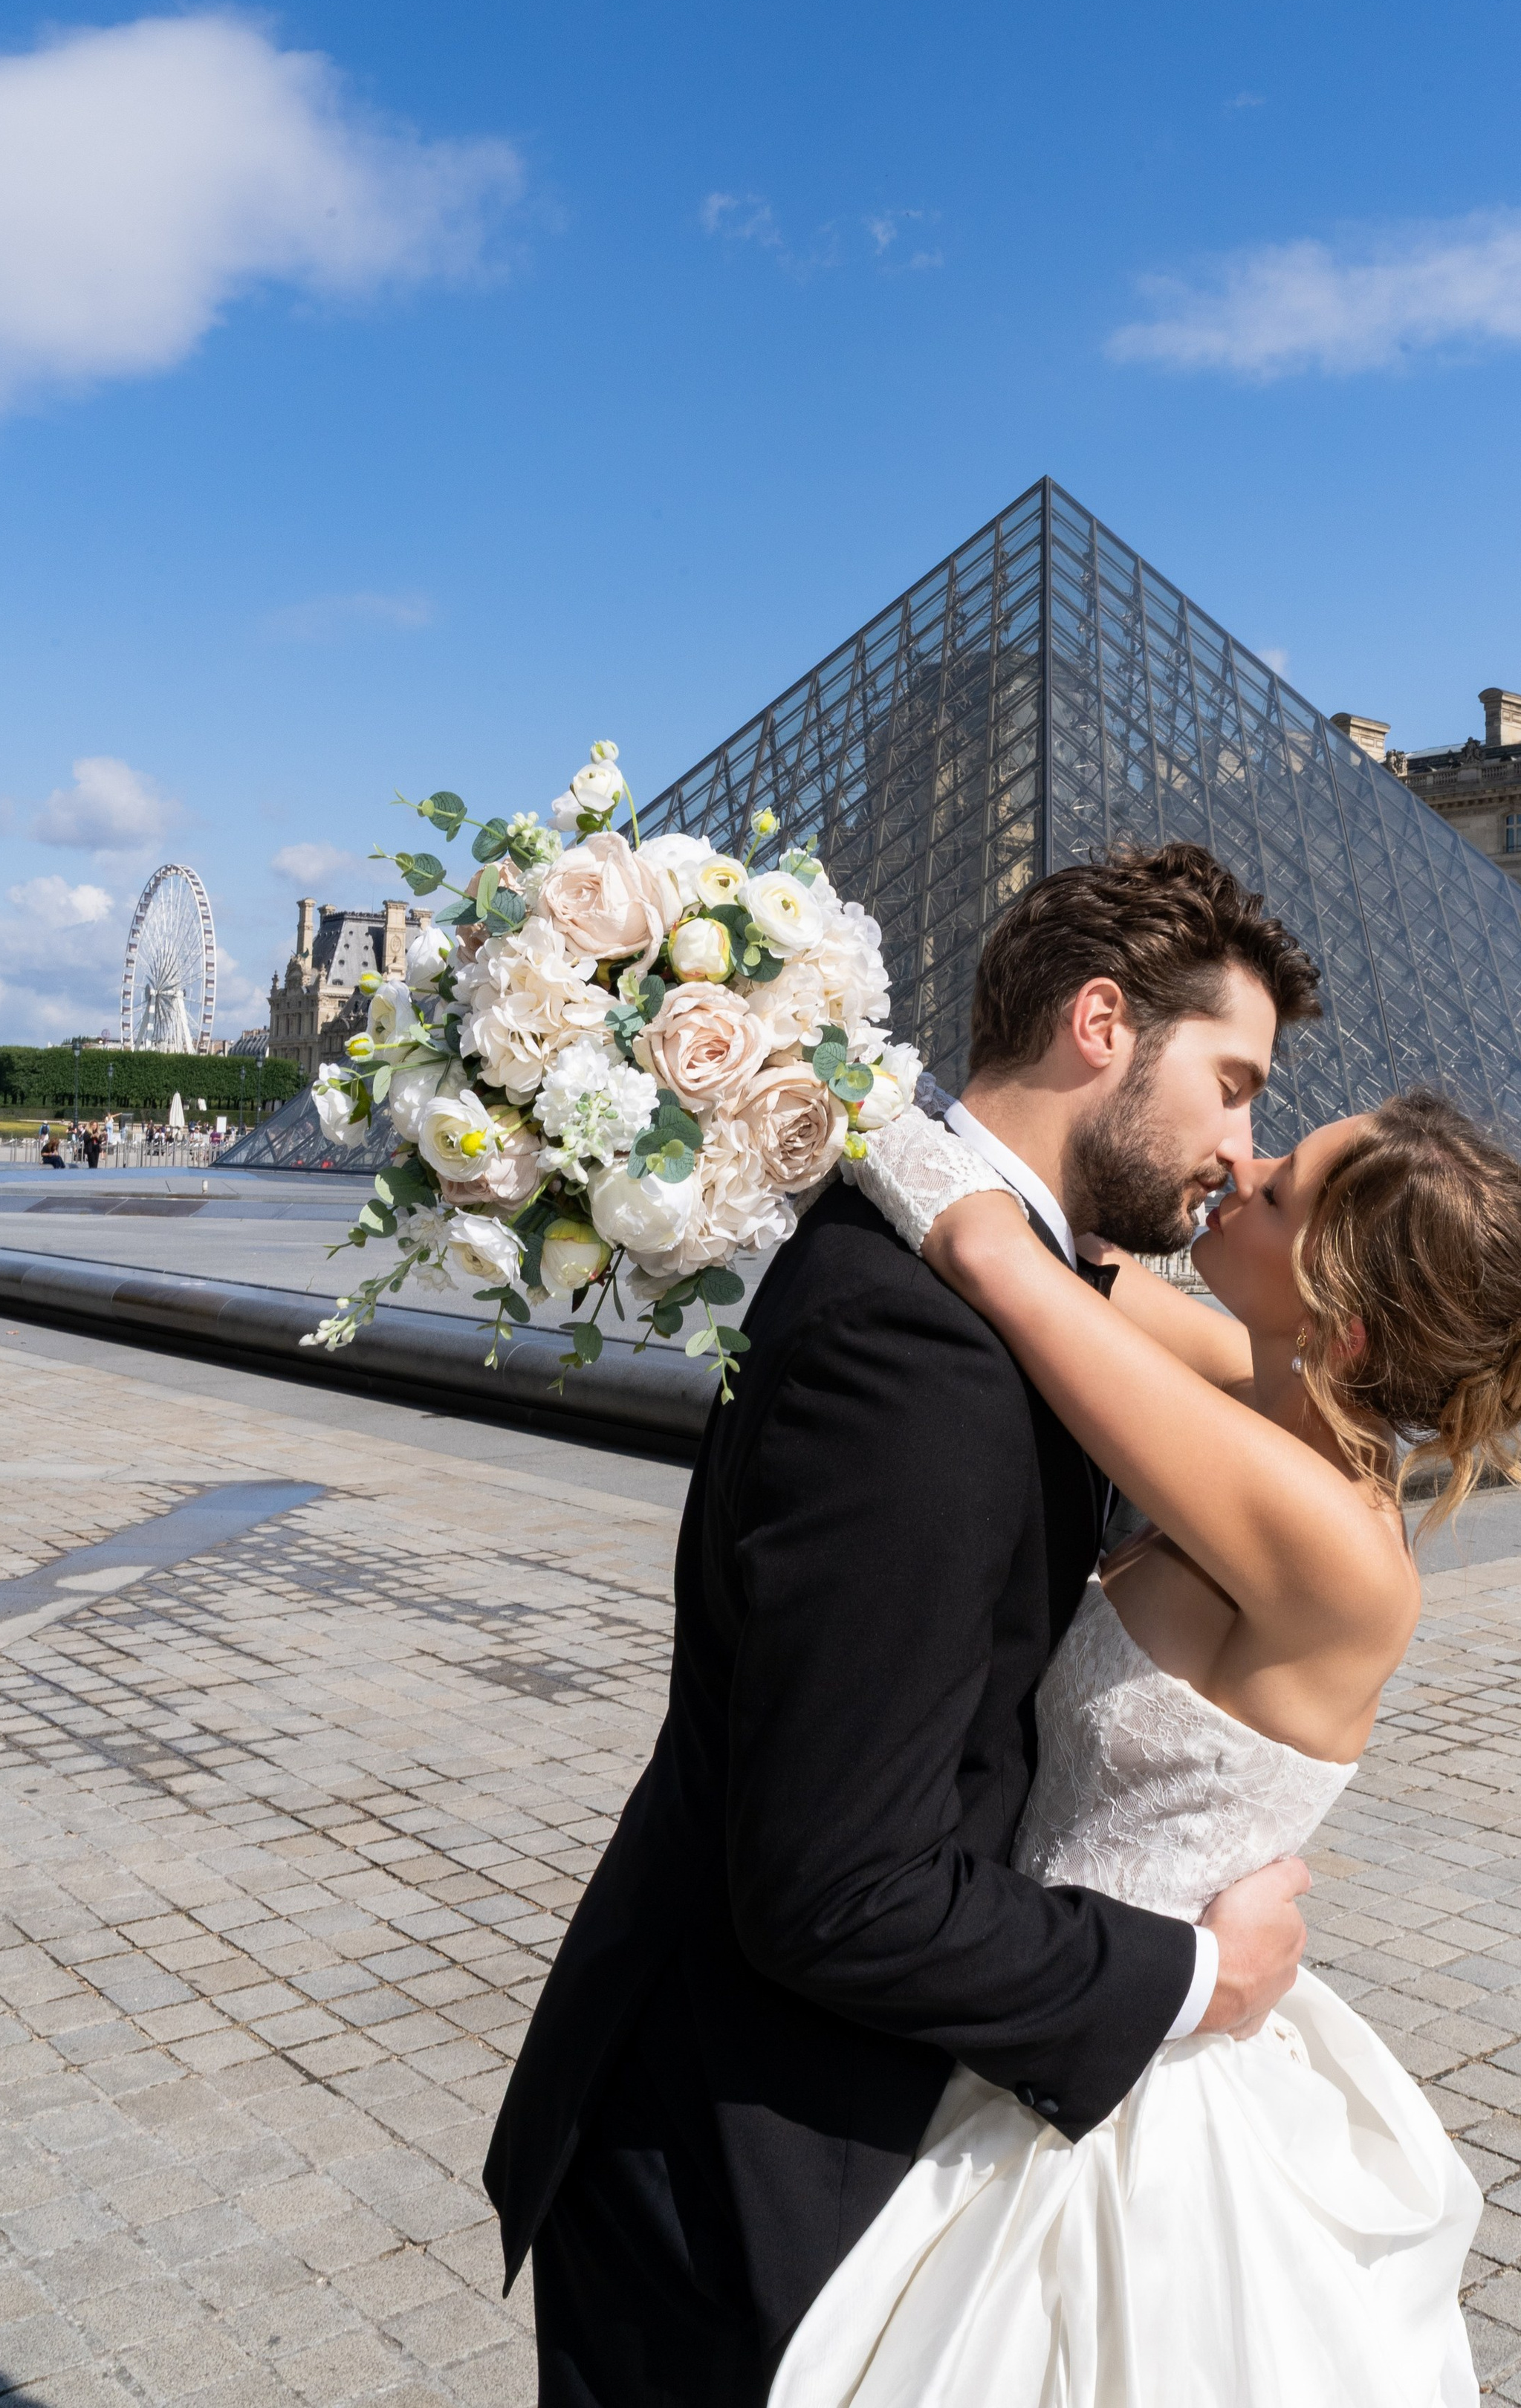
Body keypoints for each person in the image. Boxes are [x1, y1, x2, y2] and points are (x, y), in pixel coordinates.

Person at [486, 843, 1327, 2407]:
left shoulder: (987, 1276)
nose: (1238, 1143)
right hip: (746, 2193)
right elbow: (842, 1890)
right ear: (1098, 1025)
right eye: (1229, 1082)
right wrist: (1191, 1979)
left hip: (790, 2124)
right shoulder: (922, 1358)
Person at [768, 1087, 1521, 2407]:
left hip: (1112, 2093)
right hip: (1035, 2002)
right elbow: (1064, 1256)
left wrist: (776, 1019)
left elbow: (997, 1259)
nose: (1244, 1160)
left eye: (1280, 1187)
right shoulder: (1259, 1390)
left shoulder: (1332, 1543)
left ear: (1339, 1321)